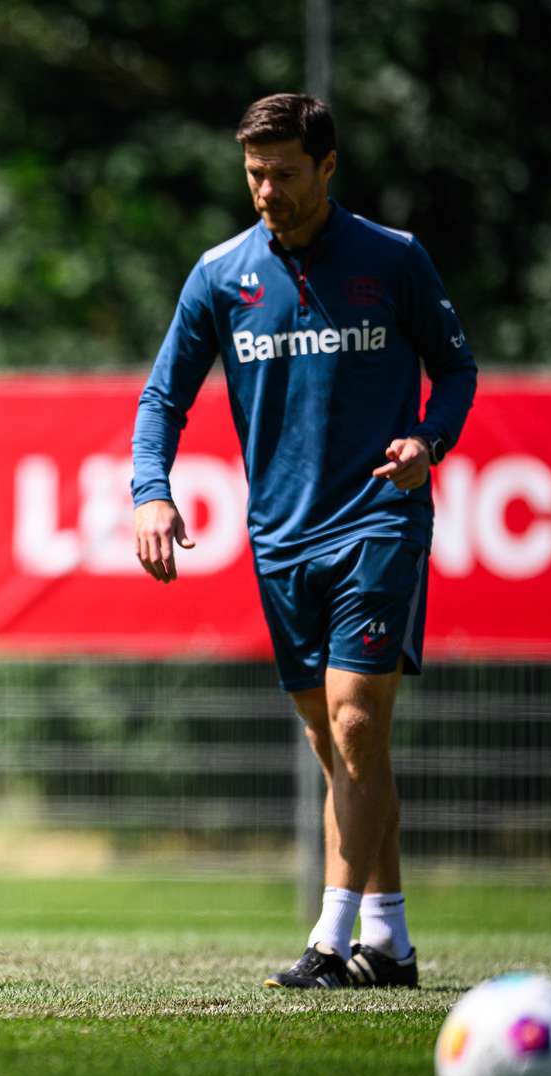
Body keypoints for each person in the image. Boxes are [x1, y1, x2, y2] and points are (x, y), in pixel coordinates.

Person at [130, 94, 476, 989]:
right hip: (281, 539)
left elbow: (456, 367)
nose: (267, 190)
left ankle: (329, 941)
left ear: (327, 167)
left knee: (359, 723)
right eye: (254, 173)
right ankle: (391, 943)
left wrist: (428, 441)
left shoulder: (393, 259)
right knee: (340, 750)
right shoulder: (220, 275)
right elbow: (165, 396)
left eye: (284, 172)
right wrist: (150, 492)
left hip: (378, 519)